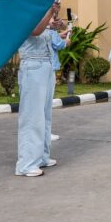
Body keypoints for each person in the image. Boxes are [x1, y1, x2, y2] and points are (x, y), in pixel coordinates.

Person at [16, 0, 61, 177]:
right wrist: (50, 12)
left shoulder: (39, 9)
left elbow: (45, 30)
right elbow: (34, 31)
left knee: (44, 116)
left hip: (46, 64)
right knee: (32, 116)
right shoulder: (22, 9)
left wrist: (54, 22)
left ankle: (41, 157)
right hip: (32, 65)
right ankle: (26, 164)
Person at [45, 16, 70, 144]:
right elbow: (58, 44)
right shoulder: (49, 29)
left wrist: (59, 34)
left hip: (43, 68)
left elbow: (52, 38)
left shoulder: (44, 29)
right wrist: (67, 41)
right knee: (47, 104)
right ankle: (46, 133)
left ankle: (44, 133)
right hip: (49, 68)